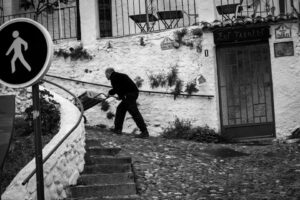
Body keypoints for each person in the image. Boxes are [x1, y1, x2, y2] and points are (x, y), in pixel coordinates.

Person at [105, 68, 149, 138]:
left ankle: (144, 132)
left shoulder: (113, 77)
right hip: (132, 94)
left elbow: (117, 89)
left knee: (134, 113)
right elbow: (121, 87)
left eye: (105, 75)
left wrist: (110, 93)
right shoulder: (120, 76)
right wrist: (120, 96)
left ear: (108, 73)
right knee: (120, 109)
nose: (106, 76)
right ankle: (118, 129)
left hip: (129, 95)